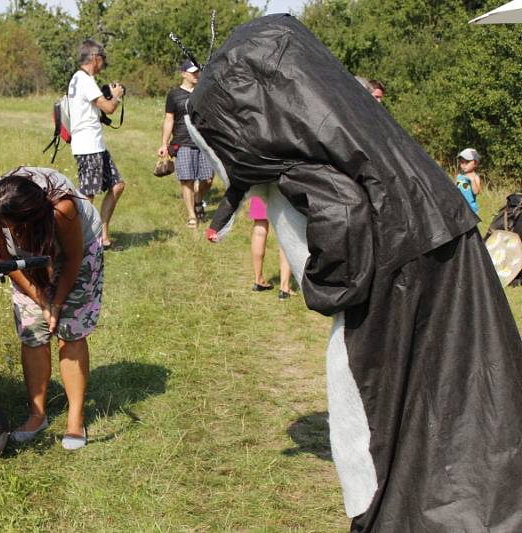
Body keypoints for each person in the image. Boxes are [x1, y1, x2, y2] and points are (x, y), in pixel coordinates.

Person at [187, 14, 522, 531]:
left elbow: (344, 216)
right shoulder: (357, 130)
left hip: (397, 280)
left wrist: (324, 289)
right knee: (465, 394)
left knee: (376, 426)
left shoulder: (301, 160)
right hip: (440, 236)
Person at [0, 166, 103, 451]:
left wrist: (57, 303)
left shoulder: (63, 209)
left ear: (30, 220)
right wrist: (41, 300)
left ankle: (75, 417)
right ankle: (37, 415)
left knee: (70, 330)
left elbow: (71, 261)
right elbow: (4, 258)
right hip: (24, 260)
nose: (8, 231)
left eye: (13, 227)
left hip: (78, 250)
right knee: (32, 332)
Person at [68, 39, 125, 250]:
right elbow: (109, 108)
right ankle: (81, 242)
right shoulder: (84, 79)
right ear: (94, 58)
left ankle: (102, 237)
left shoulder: (79, 79)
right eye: (103, 59)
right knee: (87, 196)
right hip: (88, 146)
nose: (103, 64)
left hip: (95, 145)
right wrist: (116, 97)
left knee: (117, 185)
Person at [158, 59, 214, 228]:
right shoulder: (174, 94)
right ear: (183, 74)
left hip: (204, 141)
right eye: (192, 72)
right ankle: (191, 215)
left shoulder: (203, 92)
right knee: (187, 179)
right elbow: (169, 119)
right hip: (182, 142)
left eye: (198, 71)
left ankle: (198, 197)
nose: (196, 75)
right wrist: (164, 143)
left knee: (208, 179)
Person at [249, 197, 294, 300]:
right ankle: (284, 288)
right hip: (281, 188)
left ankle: (258, 280)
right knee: (286, 229)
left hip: (260, 184)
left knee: (259, 229)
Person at [455, 147, 481, 213]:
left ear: (475, 163)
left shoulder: (475, 177)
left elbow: (476, 192)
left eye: (467, 162)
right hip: (460, 206)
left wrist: (472, 180)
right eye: (461, 162)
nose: (464, 165)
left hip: (471, 208)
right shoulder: (459, 176)